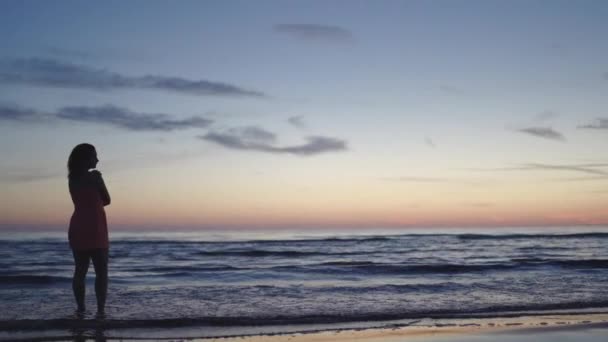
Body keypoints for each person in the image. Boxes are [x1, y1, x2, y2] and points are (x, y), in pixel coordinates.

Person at [67, 143, 111, 317]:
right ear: (85, 159)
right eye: (94, 156)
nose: (97, 159)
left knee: (80, 271)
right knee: (102, 272)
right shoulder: (95, 177)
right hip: (96, 227)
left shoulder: (72, 178)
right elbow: (107, 200)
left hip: (78, 226)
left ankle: (81, 309)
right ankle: (100, 310)